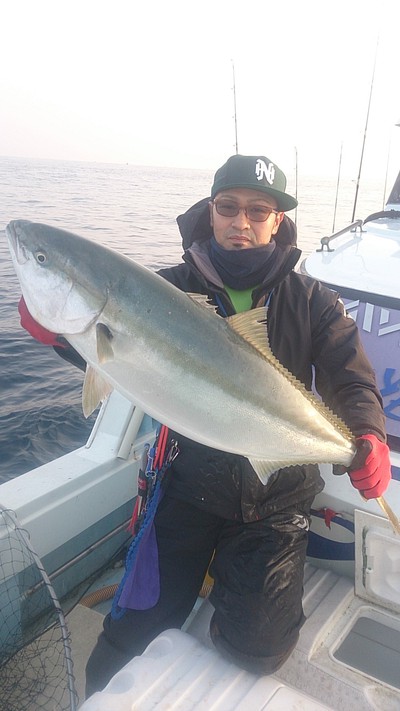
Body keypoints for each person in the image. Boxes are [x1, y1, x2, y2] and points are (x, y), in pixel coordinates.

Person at [19, 154, 392, 695]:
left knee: (256, 651)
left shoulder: (312, 300)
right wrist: (62, 338)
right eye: (228, 207)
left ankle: (230, 591)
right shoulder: (164, 289)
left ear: (277, 221)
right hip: (189, 486)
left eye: (258, 210)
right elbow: (120, 357)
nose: (242, 222)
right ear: (210, 212)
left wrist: (368, 435)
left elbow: (351, 378)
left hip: (277, 494)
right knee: (121, 651)